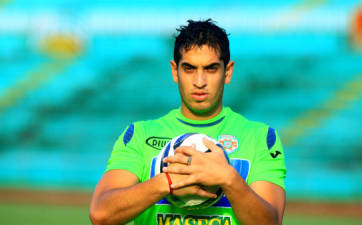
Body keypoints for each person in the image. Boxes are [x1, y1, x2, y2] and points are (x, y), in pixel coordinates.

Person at [89, 19, 286, 225]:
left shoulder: (260, 138)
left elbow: (270, 222)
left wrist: (228, 179)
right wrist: (169, 181)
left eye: (211, 69)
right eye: (189, 68)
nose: (199, 82)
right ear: (175, 71)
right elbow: (101, 214)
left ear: (227, 72)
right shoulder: (139, 135)